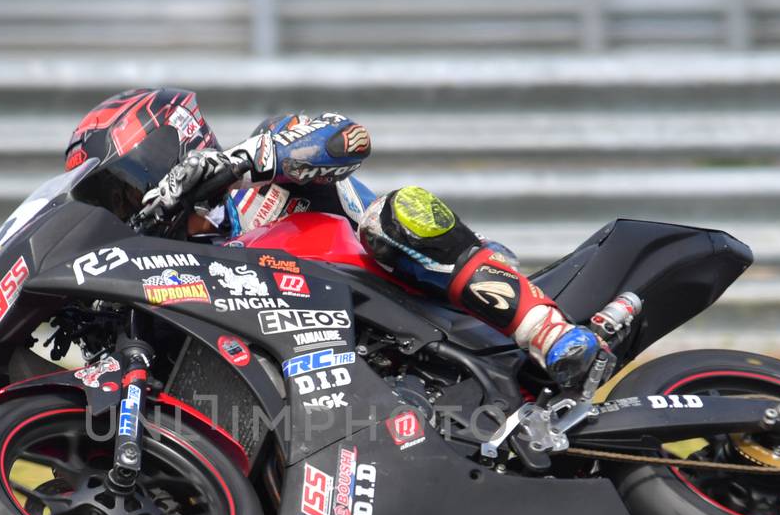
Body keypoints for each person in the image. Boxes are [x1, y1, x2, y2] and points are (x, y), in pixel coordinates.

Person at [63, 87, 624, 391]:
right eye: (108, 201)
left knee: (395, 212)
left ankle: (548, 332)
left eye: (122, 188)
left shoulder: (254, 176)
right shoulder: (167, 272)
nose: (125, 205)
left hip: (432, 301)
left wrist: (243, 161)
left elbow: (350, 137)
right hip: (356, 381)